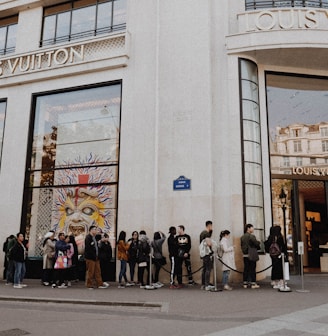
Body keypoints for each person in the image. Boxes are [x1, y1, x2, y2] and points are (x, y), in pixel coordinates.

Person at [84, 225, 109, 289]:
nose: (96, 231)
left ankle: (99, 284)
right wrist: (93, 255)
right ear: (91, 230)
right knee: (90, 271)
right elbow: (88, 249)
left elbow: (97, 247)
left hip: (96, 257)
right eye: (94, 229)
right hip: (90, 257)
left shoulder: (94, 238)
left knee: (98, 271)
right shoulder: (88, 238)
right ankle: (89, 284)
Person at [240, 223, 261, 289]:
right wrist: (258, 242)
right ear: (248, 228)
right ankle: (253, 283)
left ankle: (245, 282)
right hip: (251, 254)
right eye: (252, 227)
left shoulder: (242, 237)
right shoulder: (251, 236)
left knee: (246, 268)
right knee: (252, 268)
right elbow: (256, 244)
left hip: (245, 255)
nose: (253, 229)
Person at [199, 220, 213, 289]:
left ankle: (203, 284)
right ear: (209, 225)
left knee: (204, 269)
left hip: (203, 253)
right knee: (208, 269)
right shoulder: (206, 233)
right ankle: (207, 284)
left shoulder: (202, 233)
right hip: (207, 253)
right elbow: (209, 243)